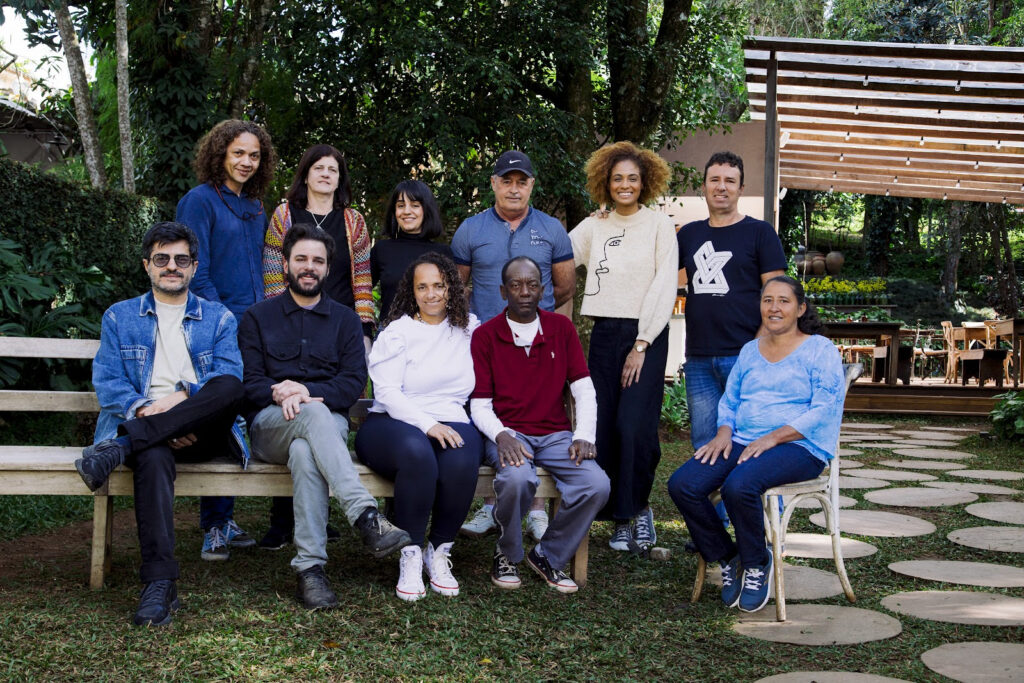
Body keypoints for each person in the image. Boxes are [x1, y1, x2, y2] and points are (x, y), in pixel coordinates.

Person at [75, 222, 248, 627]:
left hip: (203, 430)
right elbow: (109, 381)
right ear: (147, 265)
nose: (172, 266)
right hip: (143, 425)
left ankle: (119, 448)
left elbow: (229, 377)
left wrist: (177, 401)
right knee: (151, 453)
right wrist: (145, 412)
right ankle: (159, 584)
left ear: (193, 267)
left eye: (181, 259)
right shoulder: (119, 317)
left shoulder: (219, 318)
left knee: (228, 386)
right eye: (162, 259)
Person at [238, 223, 411, 610]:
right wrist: (277, 390)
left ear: (328, 269)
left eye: (318, 260)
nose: (309, 266)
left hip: (323, 426)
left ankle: (310, 571)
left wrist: (306, 393)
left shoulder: (347, 321)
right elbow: (249, 383)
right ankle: (365, 515)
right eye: (301, 258)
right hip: (270, 426)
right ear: (285, 264)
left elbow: (352, 385)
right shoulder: (257, 317)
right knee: (310, 421)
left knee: (306, 447)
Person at [667, 276, 845, 613]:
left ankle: (756, 563)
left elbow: (824, 408)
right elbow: (731, 401)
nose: (774, 308)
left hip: (800, 446)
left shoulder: (820, 349)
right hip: (743, 440)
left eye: (784, 301)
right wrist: (723, 432)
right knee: (683, 484)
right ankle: (728, 556)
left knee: (739, 485)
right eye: (767, 300)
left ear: (800, 308)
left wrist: (774, 436)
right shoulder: (750, 351)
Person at [454, 150, 575, 540]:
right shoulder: (471, 229)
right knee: (492, 417)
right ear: (493, 184)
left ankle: (537, 507)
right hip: (485, 344)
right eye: (506, 180)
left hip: (536, 341)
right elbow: (457, 287)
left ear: (531, 185)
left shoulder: (552, 229)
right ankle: (491, 505)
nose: (513, 188)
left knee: (537, 417)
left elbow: (565, 285)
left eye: (521, 181)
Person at [470, 256, 609, 594]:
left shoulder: (561, 329)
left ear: (543, 290)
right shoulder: (485, 335)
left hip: (555, 434)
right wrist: (501, 436)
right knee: (517, 479)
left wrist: (584, 435)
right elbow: (479, 405)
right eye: (516, 285)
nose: (525, 292)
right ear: (503, 291)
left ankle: (548, 555)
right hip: (508, 433)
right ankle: (506, 553)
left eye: (532, 285)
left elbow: (583, 388)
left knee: (597, 484)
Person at [260, 143, 374, 550]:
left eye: (333, 169)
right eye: (318, 167)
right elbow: (274, 270)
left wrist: (362, 325)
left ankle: (320, 517)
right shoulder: (284, 215)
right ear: (305, 173)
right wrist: (280, 319)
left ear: (340, 178)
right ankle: (280, 519)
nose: (326, 174)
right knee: (289, 409)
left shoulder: (353, 221)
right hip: (289, 322)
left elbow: (362, 275)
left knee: (328, 409)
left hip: (338, 327)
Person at [175, 119, 277, 560]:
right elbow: (194, 269)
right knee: (222, 412)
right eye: (238, 153)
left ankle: (231, 518)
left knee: (250, 412)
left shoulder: (257, 206)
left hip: (258, 326)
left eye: (254, 155)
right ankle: (214, 526)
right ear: (220, 153)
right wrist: (226, 321)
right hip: (218, 327)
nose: (246, 162)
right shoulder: (198, 202)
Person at [569, 141, 677, 553]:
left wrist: (643, 342)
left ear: (645, 181)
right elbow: (560, 254)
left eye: (632, 178)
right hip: (605, 334)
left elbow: (665, 283)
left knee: (635, 426)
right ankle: (619, 517)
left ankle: (640, 509)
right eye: (617, 179)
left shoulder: (659, 225)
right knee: (606, 426)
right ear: (605, 183)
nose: (625, 184)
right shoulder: (595, 224)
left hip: (645, 335)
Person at [355, 252, 482, 602]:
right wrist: (428, 425)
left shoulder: (470, 329)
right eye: (422, 287)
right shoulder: (398, 331)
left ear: (451, 288)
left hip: (452, 417)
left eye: (439, 286)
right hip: (392, 422)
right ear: (411, 291)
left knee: (461, 460)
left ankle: (438, 551)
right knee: (418, 454)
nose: (431, 294)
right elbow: (387, 392)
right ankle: (409, 553)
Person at [371, 179, 454, 321]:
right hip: (390, 335)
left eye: (415, 205)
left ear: (426, 210)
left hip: (433, 335)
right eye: (401, 205)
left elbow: (453, 300)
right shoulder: (382, 249)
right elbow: (360, 294)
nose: (406, 211)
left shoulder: (443, 253)